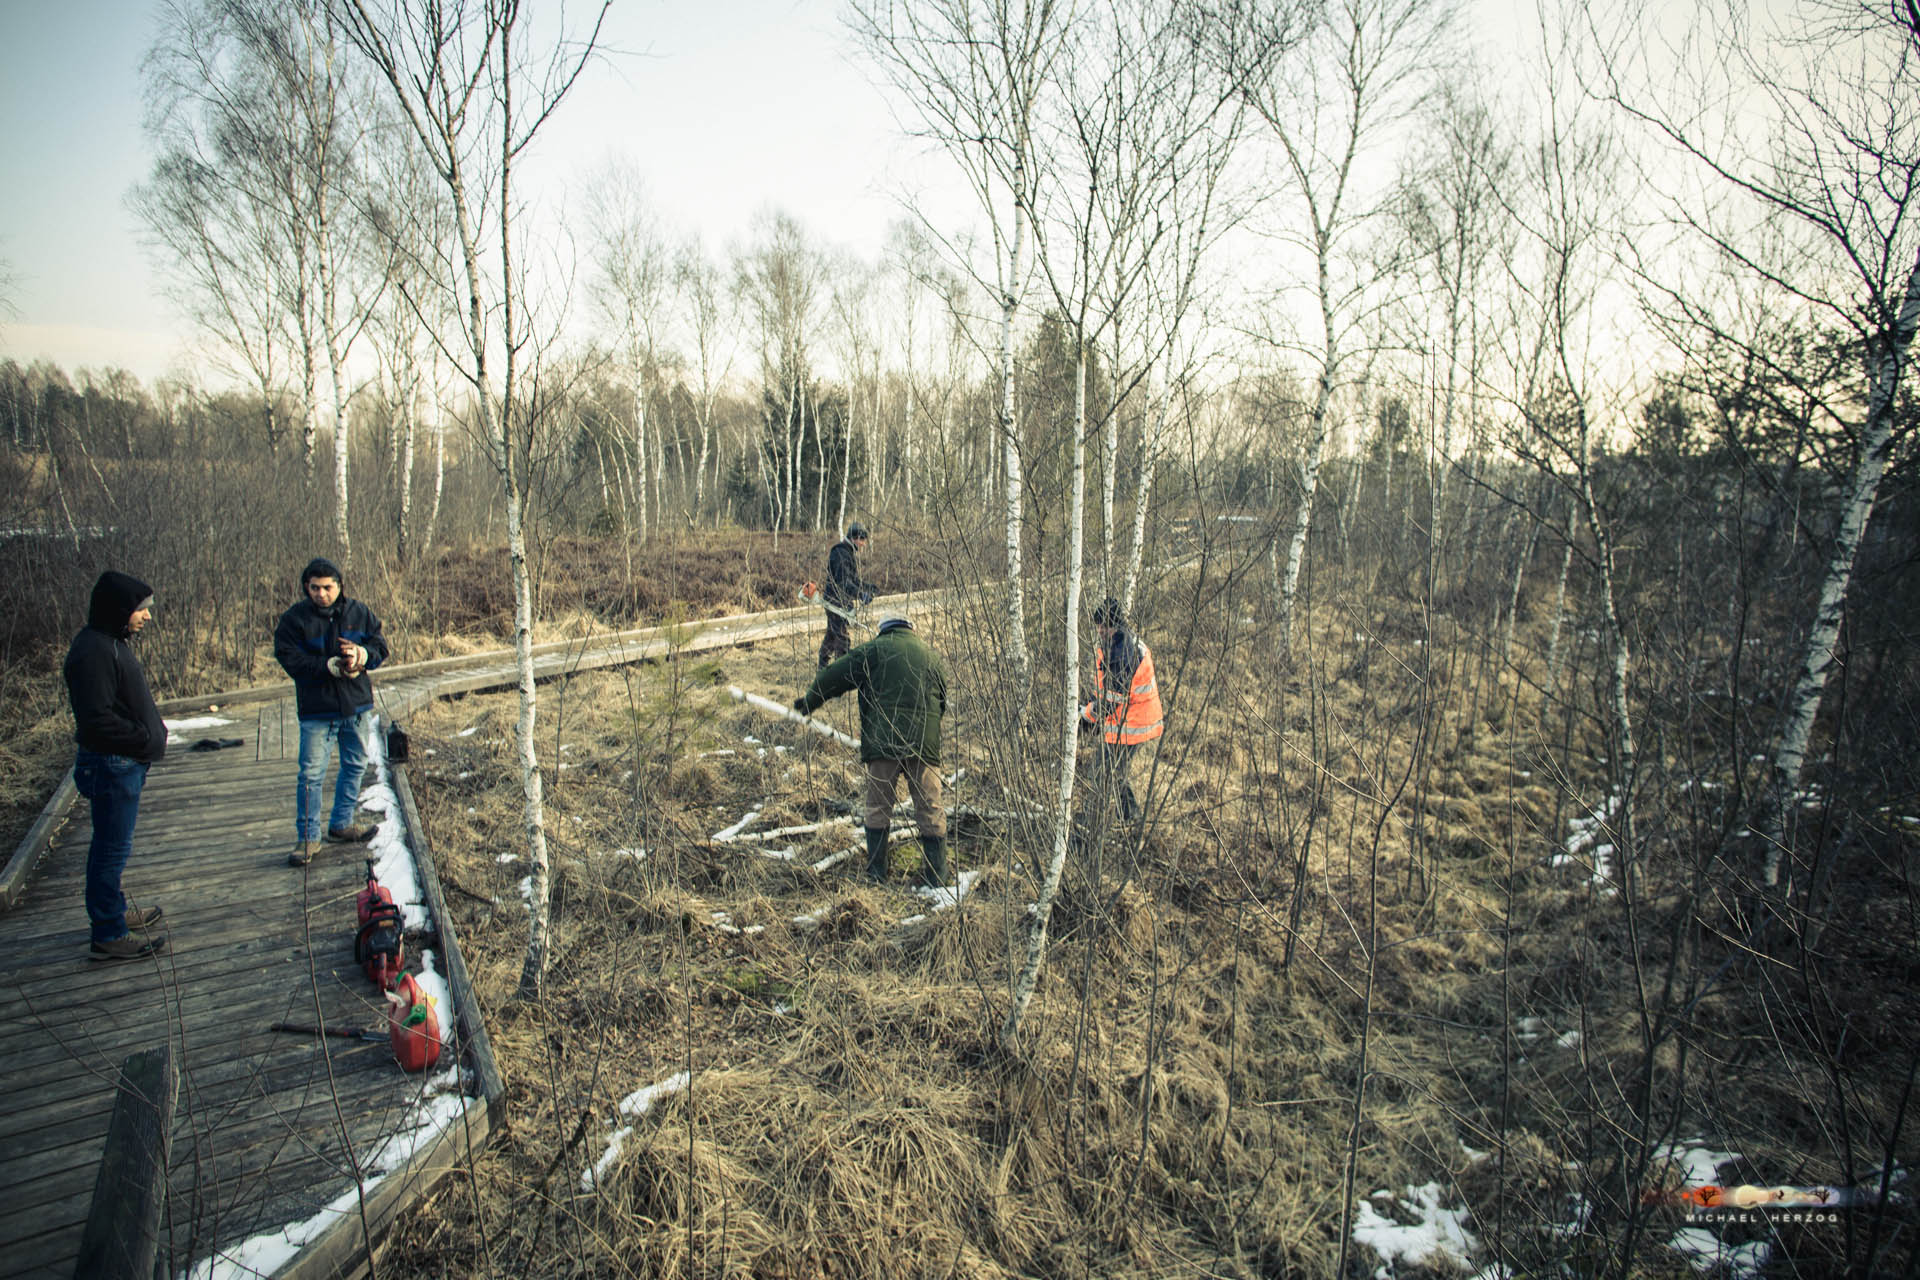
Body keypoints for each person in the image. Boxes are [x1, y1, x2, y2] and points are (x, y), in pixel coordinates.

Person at [794, 610, 949, 885]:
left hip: (883, 744)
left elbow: (833, 676)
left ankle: (877, 874)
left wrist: (809, 702)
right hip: (923, 746)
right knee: (930, 807)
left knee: (878, 806)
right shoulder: (931, 656)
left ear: (884, 629)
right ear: (909, 628)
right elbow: (942, 702)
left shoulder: (874, 650)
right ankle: (937, 877)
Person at [64, 571, 170, 960]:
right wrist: (145, 739)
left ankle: (114, 910)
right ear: (119, 610)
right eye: (141, 610)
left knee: (113, 848)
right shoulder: (93, 651)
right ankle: (108, 932)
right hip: (112, 765)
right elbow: (97, 721)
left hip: (121, 763)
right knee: (110, 850)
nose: (147, 617)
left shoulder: (109, 642)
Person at [275, 557, 388, 867]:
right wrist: (326, 667)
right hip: (317, 710)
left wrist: (361, 656)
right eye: (315, 588)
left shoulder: (359, 613)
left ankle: (341, 824)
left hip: (356, 705)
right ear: (306, 588)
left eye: (328, 587)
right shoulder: (294, 620)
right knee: (311, 774)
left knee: (355, 765)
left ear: (339, 586)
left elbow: (380, 647)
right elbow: (288, 658)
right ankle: (308, 838)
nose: (321, 594)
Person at [1078, 596, 1164, 822]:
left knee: (1101, 772)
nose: (1099, 630)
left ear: (1114, 625)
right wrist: (1089, 708)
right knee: (1116, 772)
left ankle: (1089, 826)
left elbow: (1110, 701)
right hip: (1131, 719)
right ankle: (1130, 815)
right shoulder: (1117, 644)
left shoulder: (1123, 651)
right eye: (1098, 625)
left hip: (1134, 723)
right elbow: (1106, 692)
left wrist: (1085, 716)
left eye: (1104, 626)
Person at [818, 521, 874, 667]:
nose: (864, 544)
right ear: (855, 538)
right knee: (843, 641)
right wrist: (861, 595)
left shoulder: (846, 552)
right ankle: (841, 674)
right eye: (862, 540)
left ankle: (822, 668)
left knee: (831, 637)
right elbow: (843, 583)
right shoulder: (841, 554)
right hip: (835, 603)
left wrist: (867, 587)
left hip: (837, 602)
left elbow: (853, 579)